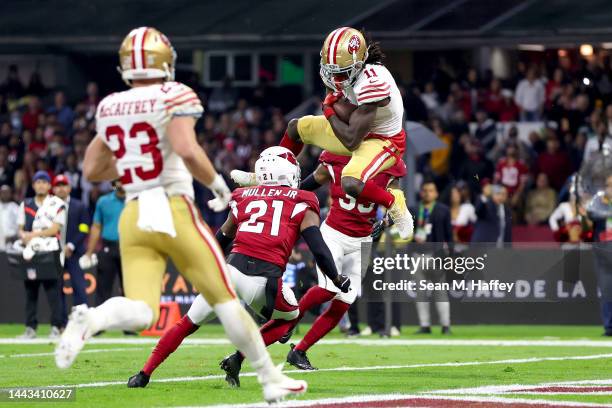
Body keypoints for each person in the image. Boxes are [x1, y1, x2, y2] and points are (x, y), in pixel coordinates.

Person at [54, 27, 305, 403]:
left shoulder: (110, 105)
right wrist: (219, 187)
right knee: (223, 297)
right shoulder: (175, 94)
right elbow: (187, 149)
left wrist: (132, 170)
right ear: (164, 61)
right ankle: (270, 378)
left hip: (134, 212)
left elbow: (91, 170)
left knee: (141, 312)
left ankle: (93, 319)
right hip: (173, 210)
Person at [129, 147, 349, 388]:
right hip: (262, 279)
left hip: (229, 272)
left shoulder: (245, 196)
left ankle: (143, 374)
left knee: (186, 324)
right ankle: (237, 358)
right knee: (289, 318)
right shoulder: (303, 200)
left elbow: (221, 238)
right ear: (286, 172)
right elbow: (318, 248)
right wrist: (337, 278)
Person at [230, 150, 406, 369]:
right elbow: (301, 187)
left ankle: (299, 351)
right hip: (334, 233)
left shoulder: (389, 161)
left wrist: (392, 217)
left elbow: (396, 195)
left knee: (343, 304)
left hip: (363, 240)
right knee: (328, 289)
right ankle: (287, 321)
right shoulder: (338, 156)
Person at [267, 27, 413, 239]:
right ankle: (271, 175)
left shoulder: (373, 83)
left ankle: (395, 205)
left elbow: (351, 141)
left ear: (359, 64)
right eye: (331, 70)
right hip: (355, 129)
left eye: (341, 72)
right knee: (296, 127)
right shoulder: (341, 72)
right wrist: (332, 110)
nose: (335, 78)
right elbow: (344, 117)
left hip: (382, 140)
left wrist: (328, 110)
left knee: (351, 182)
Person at [16, 171, 66, 339]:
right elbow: (20, 228)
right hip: (32, 251)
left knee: (53, 290)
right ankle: (30, 328)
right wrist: (23, 236)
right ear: (33, 185)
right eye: (38, 182)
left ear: (49, 186)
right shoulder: (26, 204)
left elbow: (55, 229)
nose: (41, 185)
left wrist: (32, 235)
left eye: (44, 182)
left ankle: (56, 326)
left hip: (51, 250)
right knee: (30, 290)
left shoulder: (57, 203)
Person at [411, 181, 453, 335]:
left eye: (431, 190)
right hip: (417, 256)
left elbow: (449, 235)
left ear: (436, 193)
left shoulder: (443, 210)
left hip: (436, 255)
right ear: (421, 193)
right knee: (420, 293)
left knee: (440, 291)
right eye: (425, 190)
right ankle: (424, 325)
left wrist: (451, 256)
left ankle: (445, 325)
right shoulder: (414, 209)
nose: (427, 193)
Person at [80, 180, 125, 306]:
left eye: (125, 180)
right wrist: (89, 253)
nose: (122, 184)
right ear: (113, 184)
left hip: (128, 249)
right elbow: (96, 227)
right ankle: (99, 325)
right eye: (119, 181)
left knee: (129, 291)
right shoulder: (103, 201)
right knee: (102, 292)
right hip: (108, 248)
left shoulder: (135, 202)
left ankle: (130, 326)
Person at [52, 175, 90, 310]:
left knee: (79, 286)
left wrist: (71, 245)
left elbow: (84, 228)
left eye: (63, 185)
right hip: (55, 252)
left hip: (75, 253)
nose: (61, 189)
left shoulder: (80, 206)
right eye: (57, 186)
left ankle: (83, 320)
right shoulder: (49, 208)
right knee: (56, 288)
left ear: (69, 188)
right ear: (53, 189)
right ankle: (61, 322)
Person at [0, 185, 19, 250]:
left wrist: (13, 237)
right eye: (3, 192)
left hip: (12, 242)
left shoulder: (15, 207)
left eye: (7, 192)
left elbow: (19, 226)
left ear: (11, 194)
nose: (5, 194)